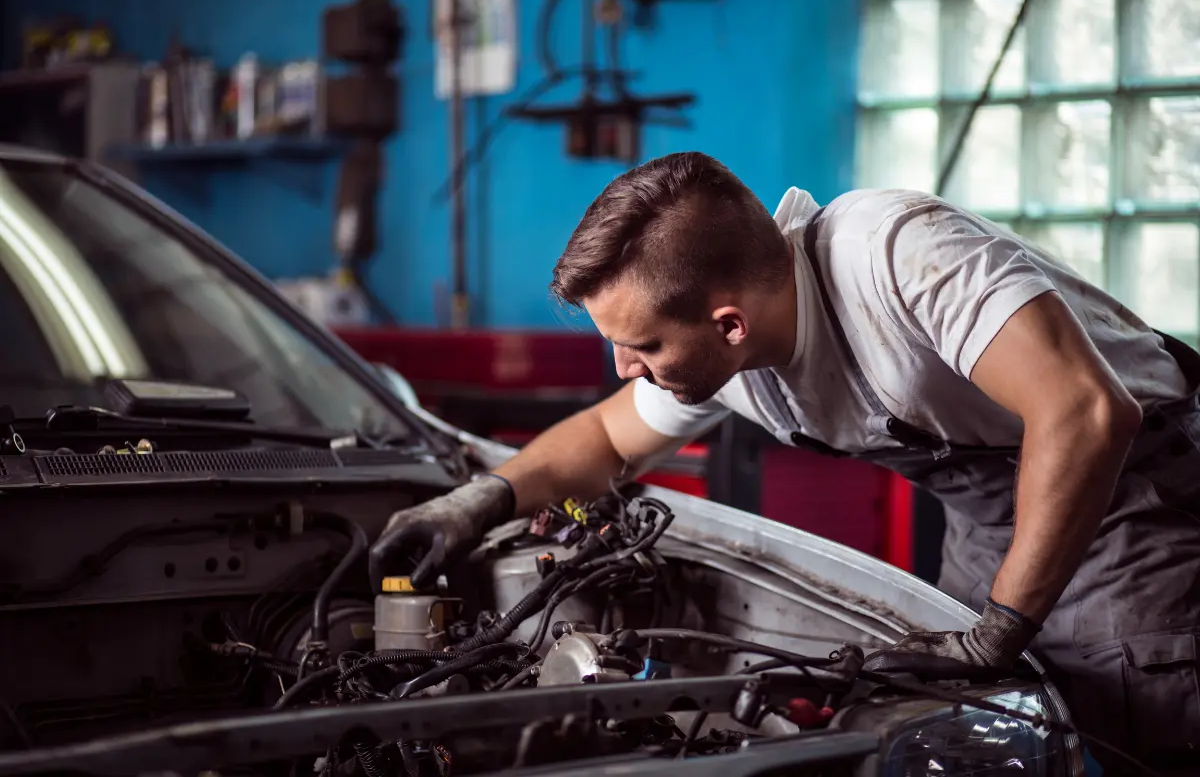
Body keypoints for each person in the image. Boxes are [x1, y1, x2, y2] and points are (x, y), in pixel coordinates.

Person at [371, 151, 1200, 772]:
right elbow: (604, 440)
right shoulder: (729, 358)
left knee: (1130, 726)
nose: (625, 369)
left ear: (729, 323)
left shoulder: (902, 256)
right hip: (994, 506)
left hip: (1138, 488)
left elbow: (1087, 412)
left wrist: (999, 627)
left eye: (640, 347)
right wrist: (479, 501)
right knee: (972, 728)